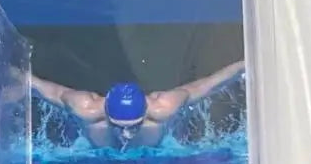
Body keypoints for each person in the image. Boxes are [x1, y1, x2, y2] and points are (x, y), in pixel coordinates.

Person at [31, 60, 245, 149]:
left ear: (145, 114)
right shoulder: (85, 109)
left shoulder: (164, 108)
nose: (126, 134)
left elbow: (209, 83)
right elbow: (46, 89)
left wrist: (245, 65)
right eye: (118, 126)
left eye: (133, 127)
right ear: (106, 114)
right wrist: (15, 75)